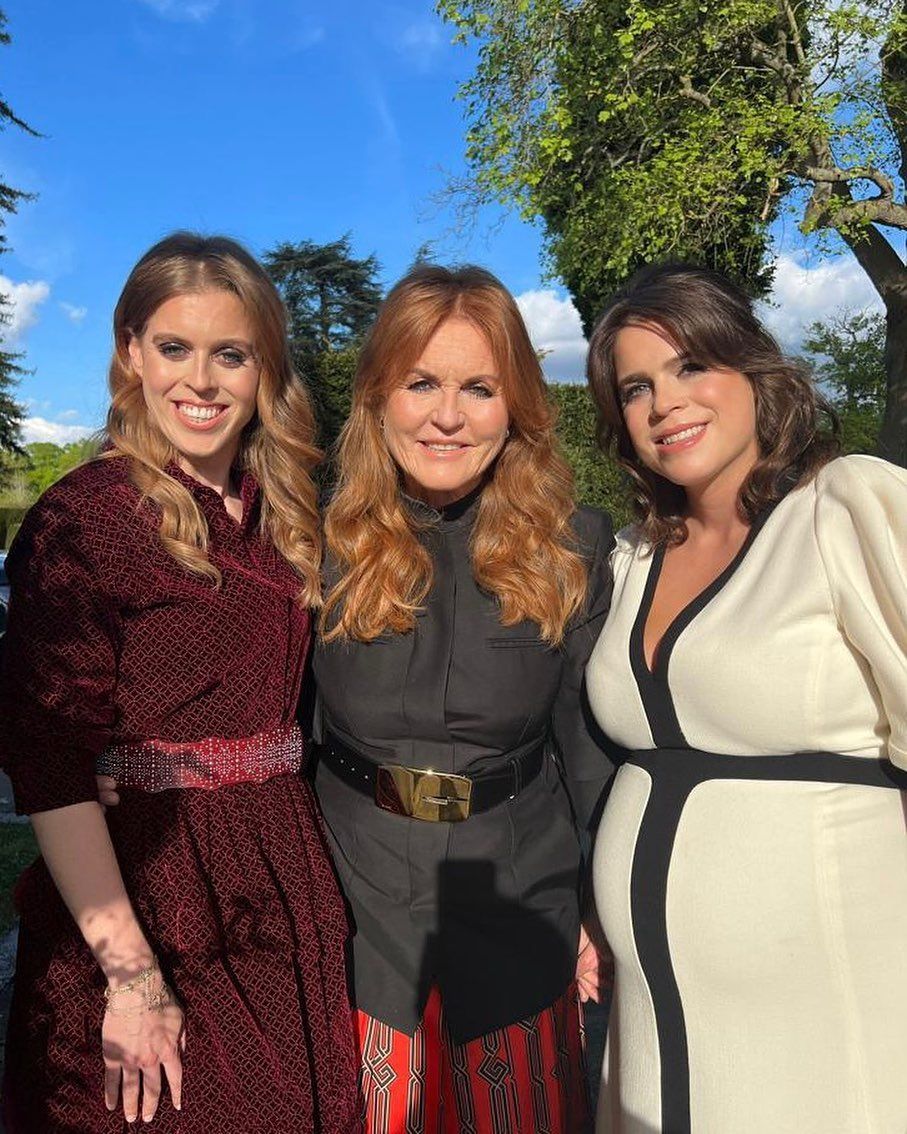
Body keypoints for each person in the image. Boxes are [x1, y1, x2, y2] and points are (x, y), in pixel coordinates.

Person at [0, 233, 360, 1133]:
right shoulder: (84, 520)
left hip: (282, 871)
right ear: (131, 352)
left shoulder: (283, 516)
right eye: (174, 348)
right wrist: (131, 978)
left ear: (262, 368)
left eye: (229, 354)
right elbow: (46, 758)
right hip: (149, 883)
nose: (200, 381)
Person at [584, 263, 907, 1134]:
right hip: (654, 1020)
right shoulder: (632, 555)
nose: (665, 404)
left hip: (822, 1001)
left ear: (751, 370)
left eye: (691, 367)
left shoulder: (843, 508)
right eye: (636, 387)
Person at [312, 263, 614, 1134]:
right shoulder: (312, 542)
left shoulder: (574, 547)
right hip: (352, 890)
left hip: (519, 885)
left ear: (514, 404)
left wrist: (601, 902)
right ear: (377, 398)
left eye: (478, 388)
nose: (448, 416)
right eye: (421, 384)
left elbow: (589, 751)